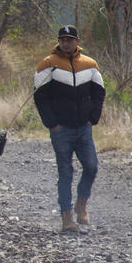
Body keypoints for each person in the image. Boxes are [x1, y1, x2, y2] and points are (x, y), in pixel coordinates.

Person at [33, 25, 106, 232]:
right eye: (62, 39)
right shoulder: (48, 64)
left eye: (69, 39)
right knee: (65, 172)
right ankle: (67, 217)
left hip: (83, 127)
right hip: (61, 129)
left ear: (77, 42)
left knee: (91, 167)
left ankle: (81, 203)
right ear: (58, 41)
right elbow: (40, 97)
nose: (65, 43)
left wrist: (94, 117)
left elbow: (99, 92)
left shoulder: (90, 65)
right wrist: (52, 124)